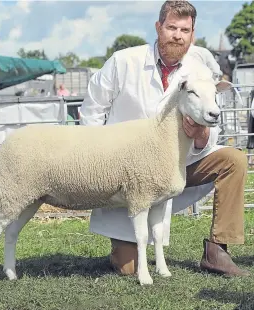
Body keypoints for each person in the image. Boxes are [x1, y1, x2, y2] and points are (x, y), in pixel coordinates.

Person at [80, 0, 250, 277]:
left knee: (233, 159)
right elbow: (92, 110)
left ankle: (218, 251)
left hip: (178, 166)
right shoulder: (124, 62)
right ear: (159, 27)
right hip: (127, 172)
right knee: (128, 268)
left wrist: (201, 134)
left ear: (192, 34)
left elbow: (211, 129)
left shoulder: (199, 71)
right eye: (171, 27)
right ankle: (125, 248)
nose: (177, 35)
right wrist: (98, 160)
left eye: (185, 30)